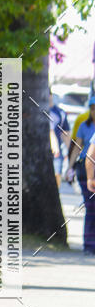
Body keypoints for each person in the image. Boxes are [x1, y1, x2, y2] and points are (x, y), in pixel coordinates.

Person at [65, 94, 95, 254]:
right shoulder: (84, 126)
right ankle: (89, 245)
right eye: (92, 109)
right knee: (90, 207)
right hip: (85, 168)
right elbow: (77, 147)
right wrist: (69, 167)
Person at [48, 90, 70, 189]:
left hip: (57, 154)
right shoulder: (36, 110)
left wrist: (71, 153)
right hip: (41, 152)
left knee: (57, 175)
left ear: (51, 95)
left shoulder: (60, 113)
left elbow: (66, 134)